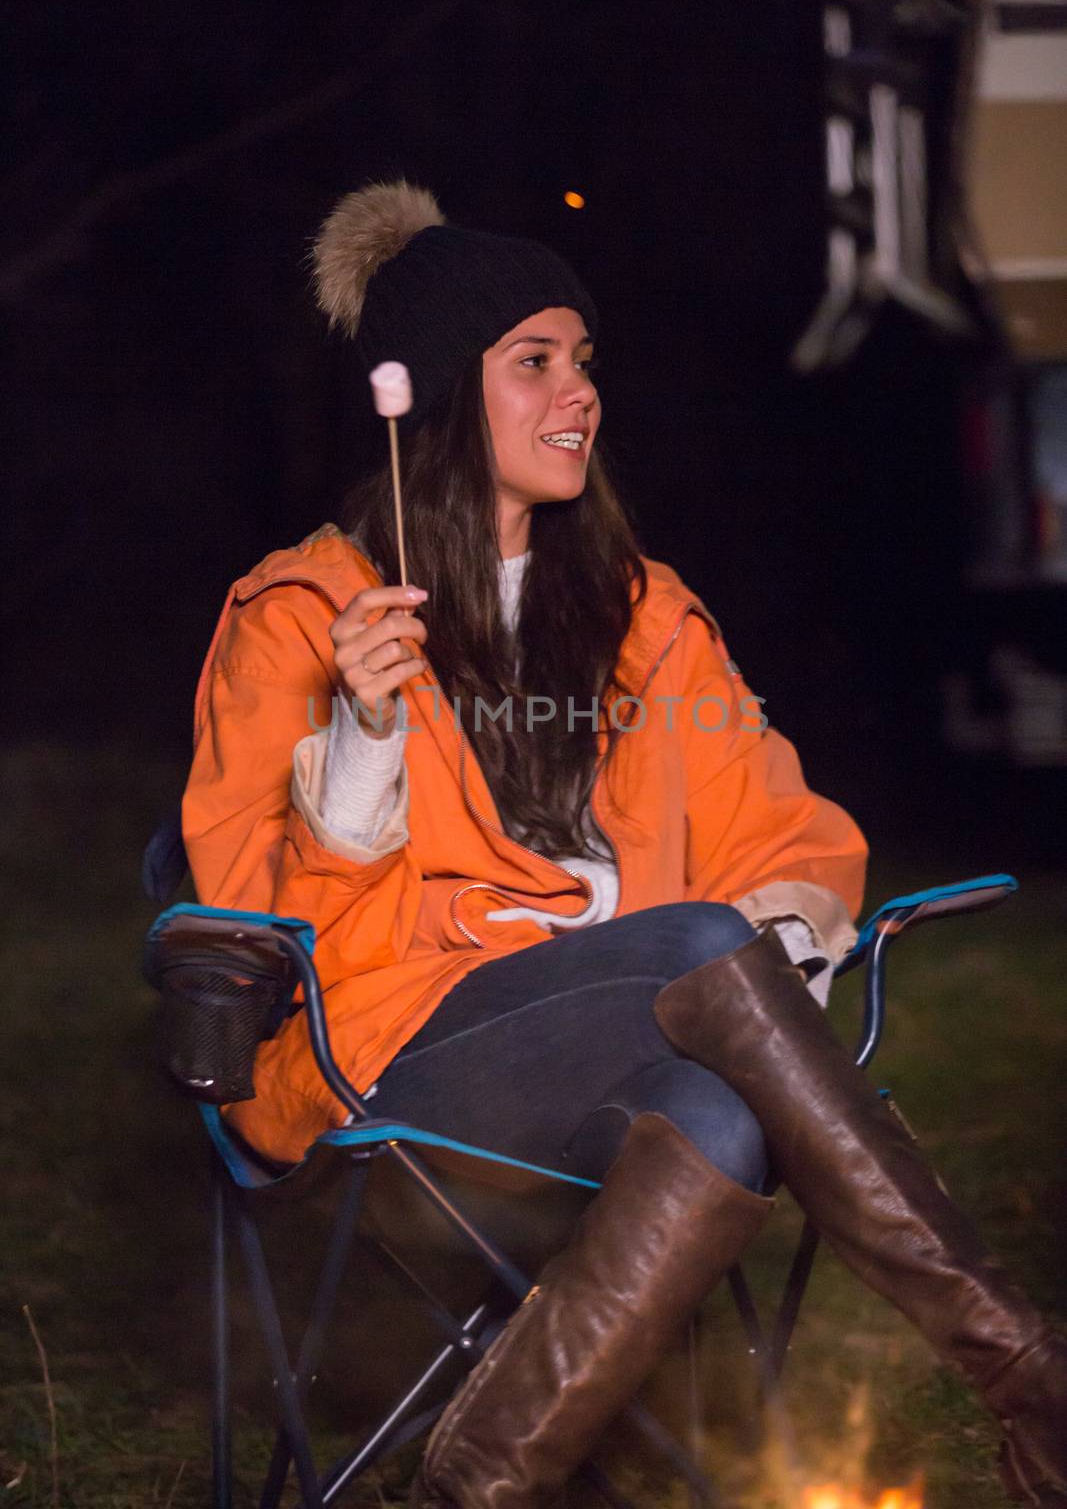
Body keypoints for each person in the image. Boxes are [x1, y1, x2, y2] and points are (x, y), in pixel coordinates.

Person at [182, 180, 1066, 1509]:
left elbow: (786, 831)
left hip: (641, 1037)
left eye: (583, 361)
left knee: (713, 1110)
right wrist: (361, 740)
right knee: (705, 947)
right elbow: (256, 914)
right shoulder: (304, 618)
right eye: (532, 363)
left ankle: (465, 1489)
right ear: (428, 395)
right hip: (395, 1059)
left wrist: (778, 951)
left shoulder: (649, 615)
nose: (578, 393)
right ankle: (1031, 1376)